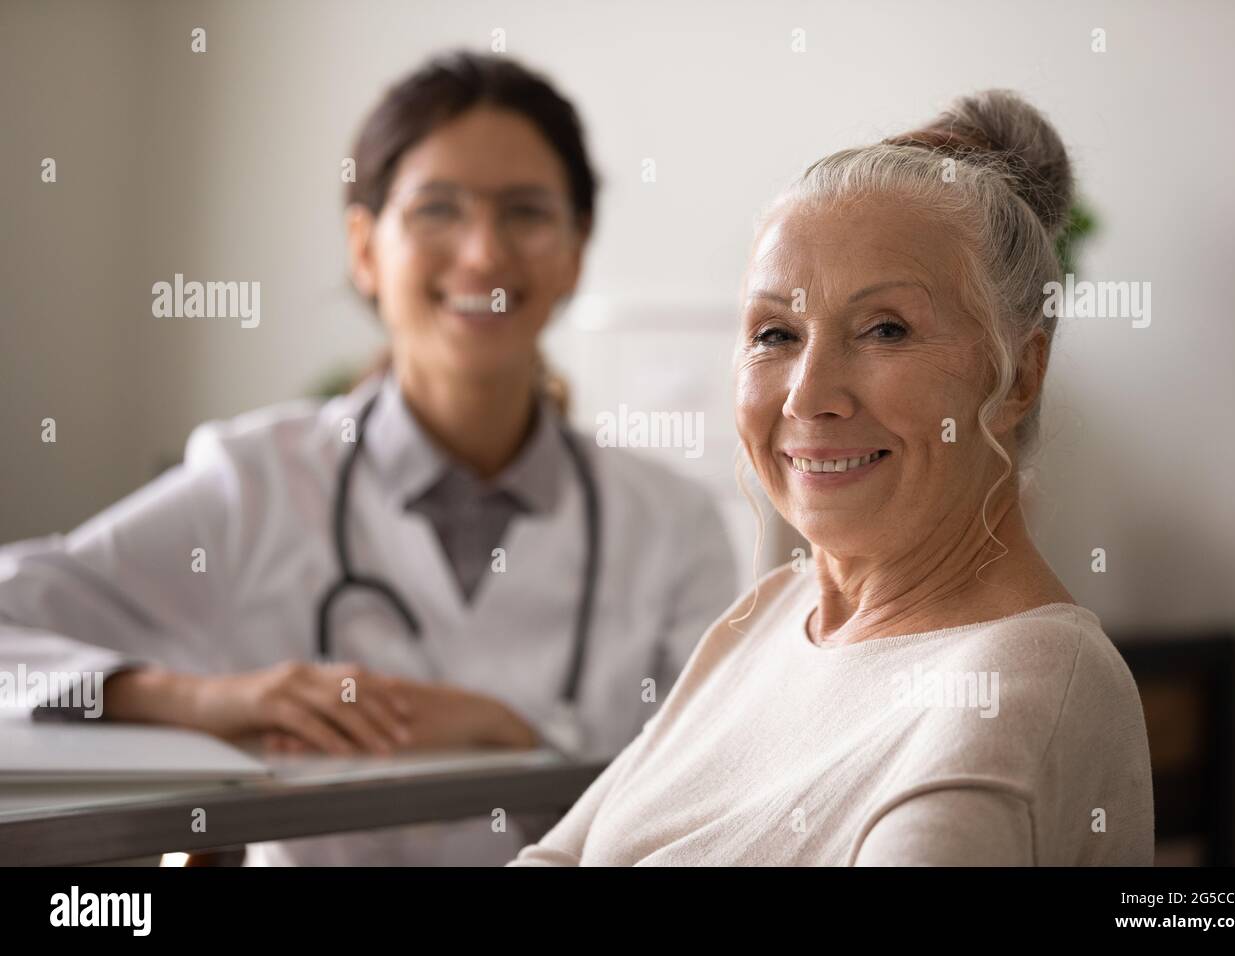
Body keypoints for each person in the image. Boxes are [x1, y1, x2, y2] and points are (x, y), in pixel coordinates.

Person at [0, 50, 738, 866]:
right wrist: (204, 700)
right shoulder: (257, 484)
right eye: (436, 210)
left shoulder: (674, 526)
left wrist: (511, 737)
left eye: (526, 212)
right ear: (364, 248)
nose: (484, 254)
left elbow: (710, 814)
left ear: (575, 251)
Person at [508, 90, 1154, 866]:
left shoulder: (1020, 683)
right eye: (775, 333)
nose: (809, 396)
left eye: (885, 329)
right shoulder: (774, 614)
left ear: (1019, 376)